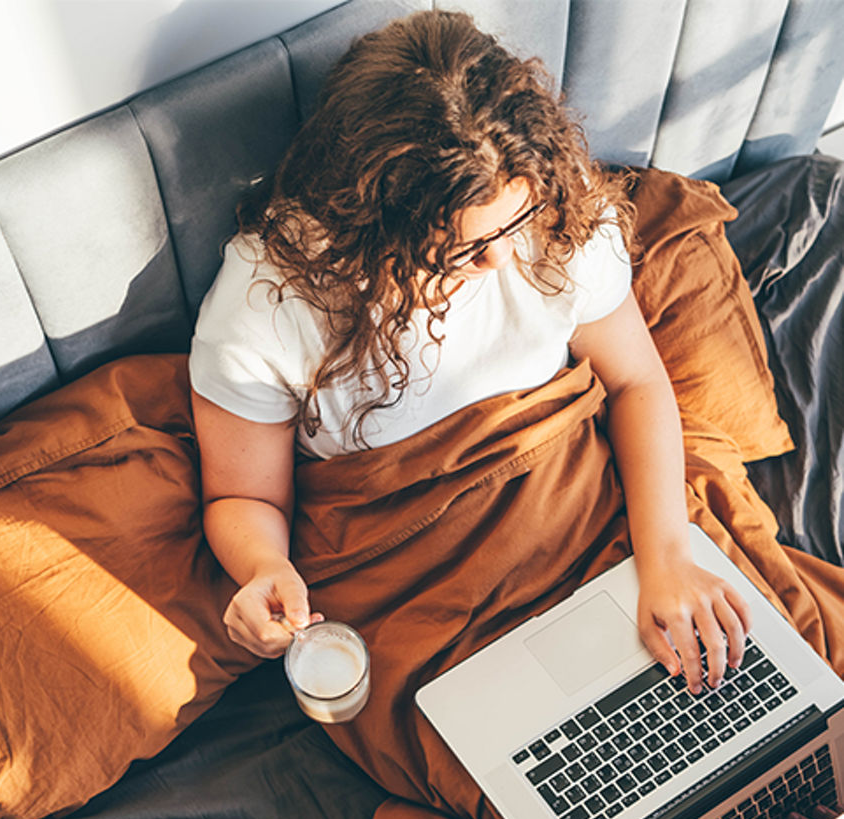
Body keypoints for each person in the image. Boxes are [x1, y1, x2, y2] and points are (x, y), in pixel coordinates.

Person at [187, 10, 752, 696]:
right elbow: (243, 494)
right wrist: (262, 568)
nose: (502, 259)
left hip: (591, 525)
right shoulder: (265, 310)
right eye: (461, 248)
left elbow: (634, 382)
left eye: (514, 224)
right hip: (419, 606)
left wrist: (667, 558)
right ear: (371, 223)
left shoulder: (555, 222)